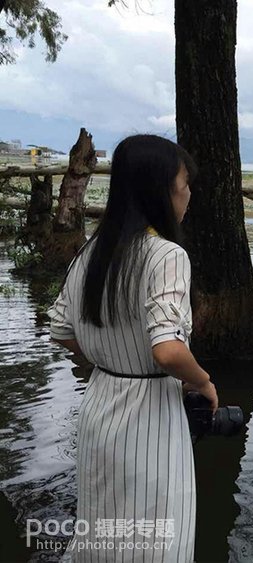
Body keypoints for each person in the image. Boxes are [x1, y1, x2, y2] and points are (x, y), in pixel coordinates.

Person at [49, 134, 218, 561]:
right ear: (159, 189)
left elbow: (61, 328)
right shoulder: (166, 255)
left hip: (99, 406)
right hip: (151, 415)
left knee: (103, 534)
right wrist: (204, 382)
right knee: (159, 538)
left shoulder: (91, 252)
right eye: (183, 183)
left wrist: (107, 363)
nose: (188, 193)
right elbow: (167, 350)